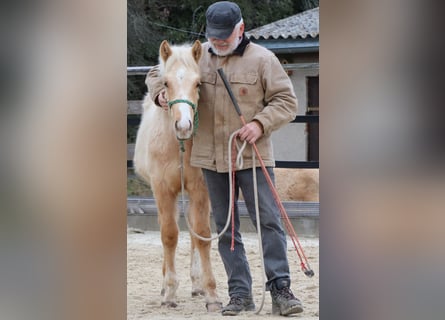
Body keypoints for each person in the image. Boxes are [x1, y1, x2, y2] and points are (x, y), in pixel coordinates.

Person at [146, 1, 303, 316]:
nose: (216, 43)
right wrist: (158, 93)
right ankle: (240, 294)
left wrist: (260, 123)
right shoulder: (196, 55)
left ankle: (281, 290)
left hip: (252, 156)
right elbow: (156, 72)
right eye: (213, 36)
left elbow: (287, 101)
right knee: (225, 227)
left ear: (240, 29)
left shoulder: (263, 60)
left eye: (223, 37)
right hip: (211, 160)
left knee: (269, 223)